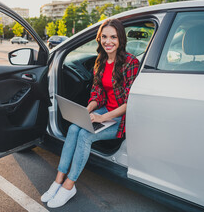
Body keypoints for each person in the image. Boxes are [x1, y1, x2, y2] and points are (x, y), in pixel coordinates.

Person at [41, 19, 140, 208]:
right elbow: (97, 93)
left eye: (113, 37)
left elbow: (130, 102)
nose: (108, 41)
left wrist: (103, 117)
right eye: (104, 37)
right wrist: (88, 110)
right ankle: (58, 180)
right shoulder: (100, 61)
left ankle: (69, 186)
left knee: (85, 135)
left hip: (120, 118)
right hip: (103, 111)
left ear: (120, 39)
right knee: (73, 128)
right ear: (99, 38)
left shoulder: (130, 62)